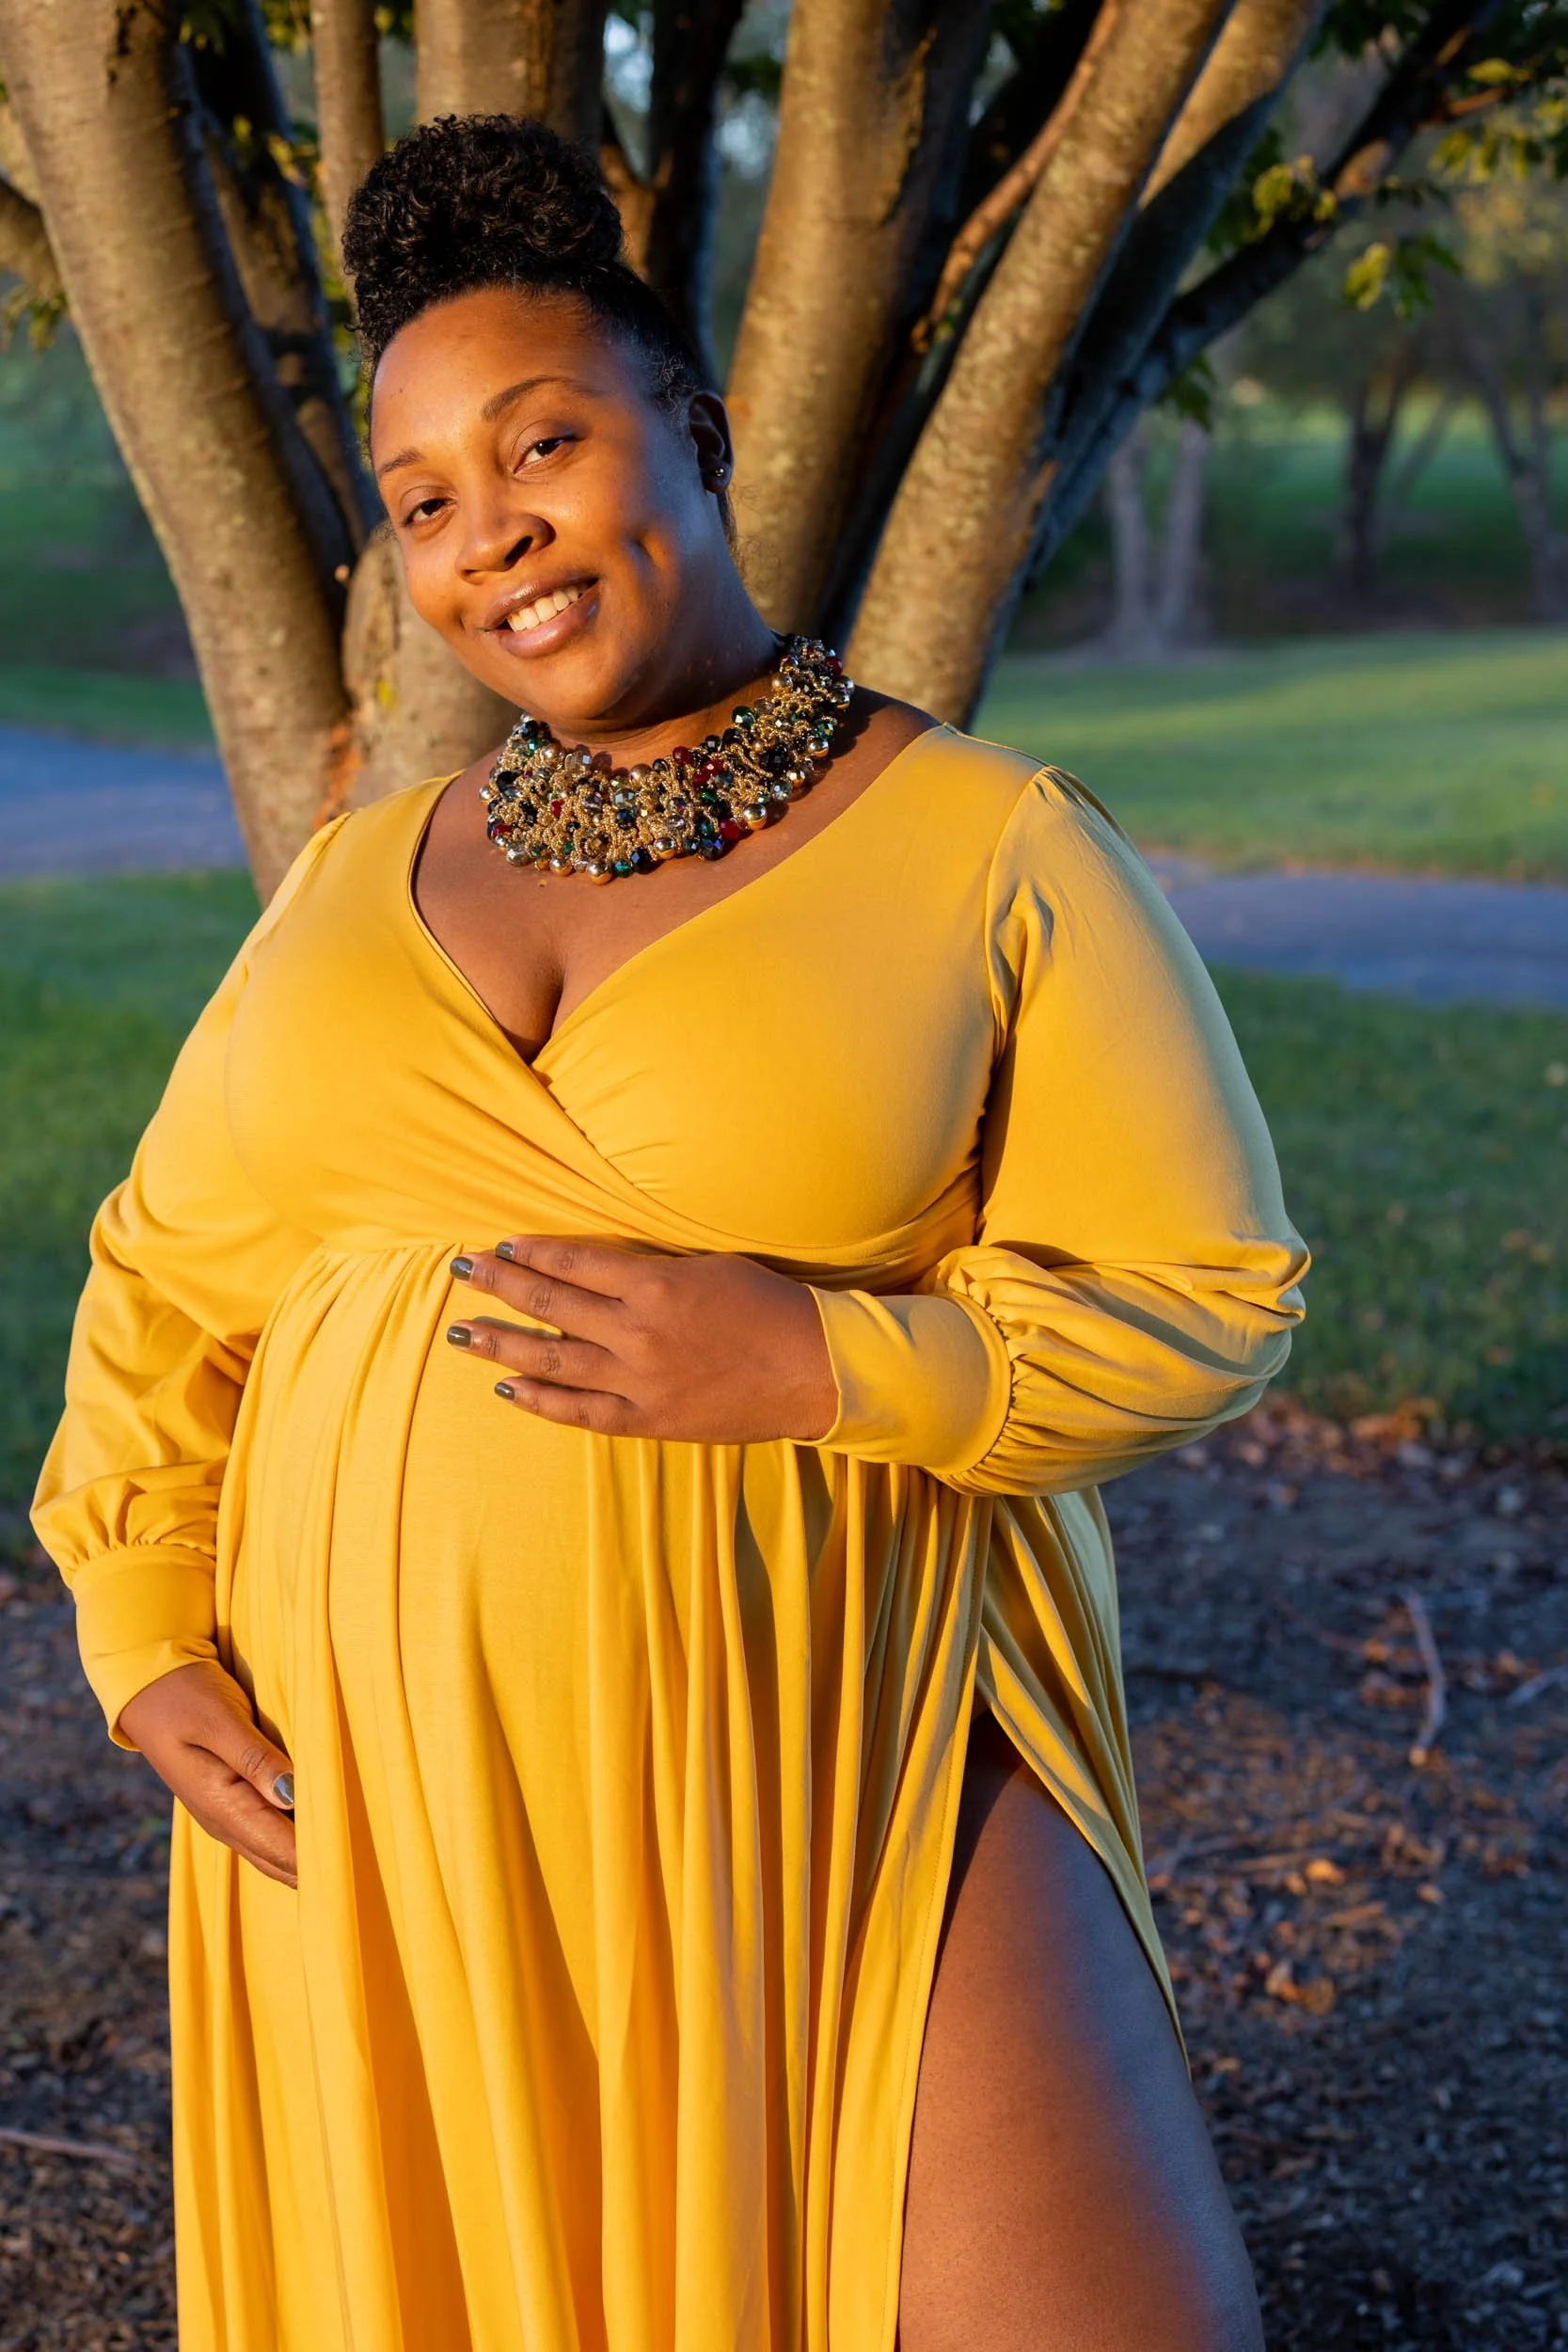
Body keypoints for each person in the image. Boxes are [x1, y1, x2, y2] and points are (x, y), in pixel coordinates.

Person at [33, 116, 1307, 2352]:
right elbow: (167, 1276)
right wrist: (143, 1622)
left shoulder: (989, 849)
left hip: (851, 1732)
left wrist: (826, 1362)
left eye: (541, 443)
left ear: (698, 437)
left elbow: (1203, 1291)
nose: (484, 532)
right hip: (389, 1814)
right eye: (420, 498)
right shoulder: (354, 880)